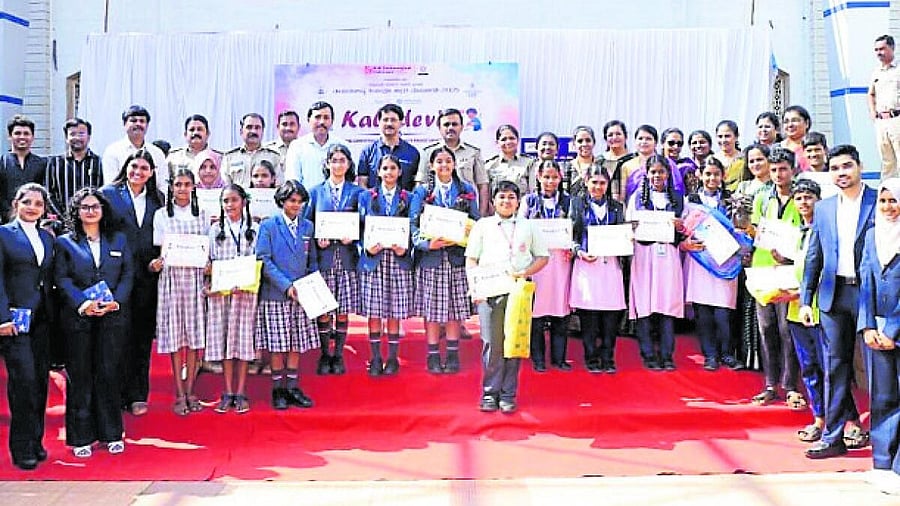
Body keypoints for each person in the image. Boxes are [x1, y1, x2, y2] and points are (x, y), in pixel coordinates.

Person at [800, 144, 877, 459]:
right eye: (835, 168)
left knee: (879, 368)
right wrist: (806, 299)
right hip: (833, 296)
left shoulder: (879, 201)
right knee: (835, 368)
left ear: (859, 166)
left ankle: (887, 439)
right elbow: (813, 256)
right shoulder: (824, 208)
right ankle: (833, 438)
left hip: (870, 295)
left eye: (847, 166)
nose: (841, 173)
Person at [54, 188, 132, 457]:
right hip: (79, 320)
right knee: (81, 376)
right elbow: (62, 279)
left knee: (108, 374)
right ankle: (80, 437)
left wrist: (116, 301)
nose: (90, 211)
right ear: (76, 211)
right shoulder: (65, 243)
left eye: (95, 206)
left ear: (103, 210)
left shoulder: (119, 240)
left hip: (112, 318)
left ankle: (112, 433)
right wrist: (83, 304)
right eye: (84, 207)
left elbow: (127, 275)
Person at [466, 180, 548, 413]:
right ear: (492, 201)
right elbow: (471, 259)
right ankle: (490, 393)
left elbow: (542, 257)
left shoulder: (528, 226)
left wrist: (525, 273)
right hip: (489, 292)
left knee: (514, 343)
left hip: (518, 292)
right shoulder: (483, 225)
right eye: (501, 197)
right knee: (491, 343)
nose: (506, 201)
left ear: (518, 201)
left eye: (511, 197)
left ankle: (508, 394)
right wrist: (475, 287)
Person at [100, 149, 165, 417]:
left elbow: (164, 236)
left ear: (151, 173)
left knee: (141, 336)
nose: (138, 172)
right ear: (126, 167)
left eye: (144, 168)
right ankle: (115, 394)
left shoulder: (158, 199)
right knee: (117, 337)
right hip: (116, 276)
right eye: (134, 166)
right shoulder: (108, 194)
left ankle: (138, 394)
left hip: (148, 276)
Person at [410, 147, 480, 373]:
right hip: (431, 259)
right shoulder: (422, 192)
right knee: (431, 310)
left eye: (448, 161)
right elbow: (412, 224)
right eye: (439, 161)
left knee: (453, 310)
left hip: (457, 259)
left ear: (454, 164)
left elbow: (476, 223)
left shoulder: (466, 189)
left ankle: (452, 354)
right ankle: (432, 355)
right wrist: (425, 244)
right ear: (431, 166)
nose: (443, 165)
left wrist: (465, 240)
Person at [0, 183, 54, 470]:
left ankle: (36, 440)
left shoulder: (47, 237)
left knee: (41, 383)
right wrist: (2, 318)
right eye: (28, 202)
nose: (33, 207)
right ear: (16, 203)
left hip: (42, 320)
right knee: (23, 383)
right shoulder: (3, 234)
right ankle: (21, 448)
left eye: (38, 203)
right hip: (14, 322)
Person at [149, 168, 209, 415]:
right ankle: (179, 392)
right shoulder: (162, 215)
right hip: (172, 280)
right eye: (178, 184)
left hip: (195, 280)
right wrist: (157, 263)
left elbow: (207, 249)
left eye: (187, 184)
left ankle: (191, 389)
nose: (182, 188)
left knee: (194, 339)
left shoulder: (203, 215)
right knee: (175, 339)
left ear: (194, 187)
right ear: (171, 187)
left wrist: (208, 264)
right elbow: (159, 250)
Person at [255, 180, 317, 410]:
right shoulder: (269, 225)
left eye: (301, 202)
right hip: (277, 294)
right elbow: (263, 258)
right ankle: (278, 388)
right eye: (292, 201)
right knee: (278, 344)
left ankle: (292, 386)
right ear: (282, 201)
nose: (297, 205)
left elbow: (312, 260)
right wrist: (286, 285)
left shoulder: (308, 227)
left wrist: (313, 286)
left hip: (302, 295)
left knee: (295, 343)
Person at [748, 147, 803, 406]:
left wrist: (789, 257)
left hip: (791, 270)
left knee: (787, 329)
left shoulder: (802, 197)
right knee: (767, 328)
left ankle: (790, 384)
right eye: (774, 170)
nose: (779, 174)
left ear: (793, 169)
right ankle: (770, 384)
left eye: (783, 169)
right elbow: (757, 231)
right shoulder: (762, 198)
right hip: (763, 269)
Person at [858, 177, 900, 494]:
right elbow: (865, 286)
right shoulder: (872, 236)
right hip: (876, 332)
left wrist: (892, 330)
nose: (888, 207)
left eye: (894, 201)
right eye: (883, 201)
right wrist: (869, 326)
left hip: (896, 330)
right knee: (882, 398)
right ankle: (883, 464)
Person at [306, 144, 363, 375]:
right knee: (323, 309)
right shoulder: (315, 192)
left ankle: (338, 355)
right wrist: (317, 238)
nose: (338, 164)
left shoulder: (357, 192)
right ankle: (324, 354)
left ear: (348, 165)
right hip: (324, 258)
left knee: (342, 308)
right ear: (327, 164)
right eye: (334, 160)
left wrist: (355, 236)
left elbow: (364, 222)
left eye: (342, 160)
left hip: (347, 259)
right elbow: (307, 225)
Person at [626, 154, 685, 370]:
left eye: (661, 171)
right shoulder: (637, 198)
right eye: (653, 172)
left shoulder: (678, 198)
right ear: (646, 174)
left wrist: (680, 227)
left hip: (668, 255)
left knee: (667, 304)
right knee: (645, 303)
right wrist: (633, 227)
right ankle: (648, 353)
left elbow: (686, 229)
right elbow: (628, 226)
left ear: (668, 174)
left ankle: (667, 355)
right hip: (644, 255)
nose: (657, 176)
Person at [683, 156, 740, 370]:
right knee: (703, 312)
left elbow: (739, 230)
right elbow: (683, 231)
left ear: (723, 176)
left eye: (716, 174)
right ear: (700, 175)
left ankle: (727, 353)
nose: (712, 178)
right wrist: (686, 243)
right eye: (707, 173)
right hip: (700, 262)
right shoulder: (691, 201)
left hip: (725, 261)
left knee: (724, 313)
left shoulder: (732, 200)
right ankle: (710, 355)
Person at [358, 155, 413, 376]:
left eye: (393, 168)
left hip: (398, 260)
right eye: (385, 168)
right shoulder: (365, 196)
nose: (389, 172)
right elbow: (358, 227)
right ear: (378, 172)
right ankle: (375, 357)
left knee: (393, 309)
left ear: (400, 172)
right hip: (374, 260)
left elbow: (415, 225)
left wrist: (406, 248)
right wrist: (365, 248)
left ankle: (392, 357)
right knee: (374, 310)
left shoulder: (408, 198)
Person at [569, 166, 626, 373]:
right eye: (594, 182)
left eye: (602, 183)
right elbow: (571, 236)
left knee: (611, 315)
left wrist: (626, 240)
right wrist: (579, 251)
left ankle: (608, 357)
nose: (598, 187)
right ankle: (591, 357)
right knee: (589, 315)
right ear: (586, 182)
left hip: (610, 265)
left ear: (608, 184)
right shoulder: (576, 205)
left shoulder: (617, 207)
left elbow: (623, 235)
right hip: (586, 265)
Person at [785, 179, 829, 446]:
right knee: (809, 368)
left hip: (822, 311)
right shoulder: (795, 233)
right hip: (795, 310)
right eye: (799, 198)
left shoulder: (825, 230)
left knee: (831, 368)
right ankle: (819, 419)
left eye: (808, 197)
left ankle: (849, 421)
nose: (804, 202)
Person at [207, 184, 258, 413]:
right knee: (225, 343)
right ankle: (227, 392)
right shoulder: (214, 229)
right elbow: (209, 260)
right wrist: (212, 281)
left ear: (243, 202)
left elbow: (257, 261)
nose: (230, 205)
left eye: (234, 200)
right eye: (225, 201)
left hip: (245, 294)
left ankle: (241, 391)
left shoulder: (254, 228)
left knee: (243, 342)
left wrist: (244, 282)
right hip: (221, 295)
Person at [519, 160, 571, 372]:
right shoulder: (529, 201)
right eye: (546, 177)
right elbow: (521, 228)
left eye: (554, 177)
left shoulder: (569, 201)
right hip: (537, 264)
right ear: (538, 177)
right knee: (537, 313)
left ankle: (559, 358)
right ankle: (538, 358)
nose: (550, 181)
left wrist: (573, 245)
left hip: (561, 263)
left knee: (560, 311)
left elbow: (575, 227)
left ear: (560, 178)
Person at [415, 108, 489, 216]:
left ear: (462, 127)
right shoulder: (428, 152)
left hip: (466, 215)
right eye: (446, 124)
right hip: (434, 216)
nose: (450, 128)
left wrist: (480, 217)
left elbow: (482, 186)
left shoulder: (473, 152)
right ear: (439, 128)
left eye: (454, 124)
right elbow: (420, 184)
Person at [44, 117, 103, 220]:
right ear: (66, 138)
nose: (77, 137)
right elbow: (49, 194)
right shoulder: (55, 163)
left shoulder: (99, 163)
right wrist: (64, 218)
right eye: (72, 134)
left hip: (93, 221)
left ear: (89, 137)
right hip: (62, 224)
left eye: (81, 133)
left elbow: (103, 193)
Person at [357, 103, 421, 191]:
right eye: (385, 119)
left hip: (404, 204)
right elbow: (362, 183)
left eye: (393, 120)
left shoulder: (413, 152)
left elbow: (416, 186)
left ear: (401, 123)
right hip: (374, 203)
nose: (389, 123)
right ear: (379, 122)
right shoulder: (367, 152)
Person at [284, 101, 347, 189]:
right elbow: (293, 180)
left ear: (332, 121)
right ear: (309, 120)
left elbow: (349, 179)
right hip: (306, 200)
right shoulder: (297, 146)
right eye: (317, 117)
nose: (321, 122)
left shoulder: (342, 145)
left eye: (326, 118)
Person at [101, 105, 166, 185]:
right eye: (133, 121)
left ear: (147, 125)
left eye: (142, 121)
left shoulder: (157, 153)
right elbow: (111, 185)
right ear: (124, 124)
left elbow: (162, 186)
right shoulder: (113, 151)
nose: (138, 124)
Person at [1, 116, 47, 221]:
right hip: (5, 223)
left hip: (35, 220)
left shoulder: (42, 163)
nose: (22, 137)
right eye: (17, 133)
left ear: (32, 137)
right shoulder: (2, 162)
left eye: (26, 133)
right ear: (10, 136)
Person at [868, 34, 900, 180]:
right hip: (882, 122)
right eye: (876, 50)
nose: (879, 53)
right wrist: (873, 113)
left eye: (882, 49)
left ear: (892, 48)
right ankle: (888, 193)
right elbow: (871, 94)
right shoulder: (876, 72)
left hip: (897, 118)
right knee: (887, 162)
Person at [221, 113, 280, 189]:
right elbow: (226, 186)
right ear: (241, 131)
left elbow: (279, 186)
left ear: (262, 131)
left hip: (266, 199)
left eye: (257, 128)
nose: (253, 131)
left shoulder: (274, 156)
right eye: (249, 127)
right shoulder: (229, 157)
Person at [165, 114, 222, 186]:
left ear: (207, 134)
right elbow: (166, 183)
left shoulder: (219, 158)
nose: (195, 133)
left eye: (200, 129)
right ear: (185, 134)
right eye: (192, 130)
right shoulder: (173, 158)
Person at [485, 124, 533, 197]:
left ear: (518, 140)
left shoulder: (529, 163)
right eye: (504, 139)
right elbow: (486, 195)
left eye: (511, 138)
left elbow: (533, 192)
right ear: (497, 143)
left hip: (523, 207)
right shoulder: (489, 166)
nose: (508, 142)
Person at [564, 126, 602, 200]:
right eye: (580, 141)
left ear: (594, 142)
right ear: (574, 144)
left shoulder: (601, 165)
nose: (584, 144)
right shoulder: (569, 166)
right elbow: (565, 194)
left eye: (588, 140)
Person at [264, 110, 300, 183]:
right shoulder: (267, 150)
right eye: (284, 124)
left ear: (298, 127)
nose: (288, 128)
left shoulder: (305, 148)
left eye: (292, 124)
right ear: (278, 126)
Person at [599, 120, 631, 202]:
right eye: (610, 135)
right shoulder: (599, 161)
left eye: (618, 134)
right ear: (605, 138)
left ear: (626, 136)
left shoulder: (633, 159)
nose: (614, 137)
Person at [715, 120, 746, 192]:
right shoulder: (712, 160)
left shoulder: (745, 160)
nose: (723, 140)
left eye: (727, 136)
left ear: (736, 136)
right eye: (720, 136)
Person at [780, 105, 813, 172]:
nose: (790, 125)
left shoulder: (816, 147)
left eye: (794, 120)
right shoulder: (778, 148)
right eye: (786, 122)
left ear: (806, 123)